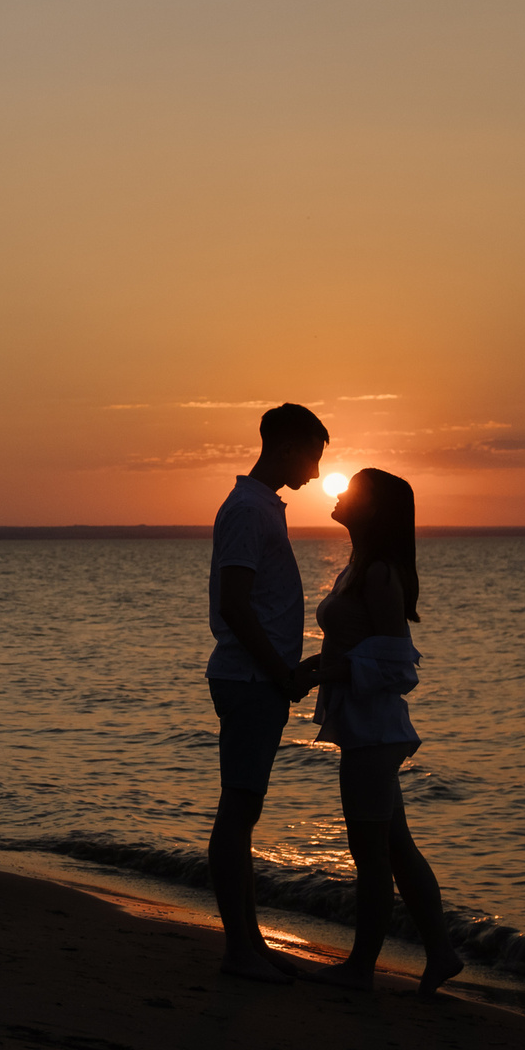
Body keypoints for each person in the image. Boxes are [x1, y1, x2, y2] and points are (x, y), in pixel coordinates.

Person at [307, 468, 465, 997]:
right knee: (396, 848)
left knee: (370, 855)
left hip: (374, 733)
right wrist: (317, 666)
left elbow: (400, 667)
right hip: (365, 730)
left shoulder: (379, 573)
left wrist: (327, 672)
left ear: (374, 511)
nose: (341, 494)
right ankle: (441, 953)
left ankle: (360, 968)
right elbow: (357, 648)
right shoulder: (358, 567)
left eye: (353, 490)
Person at [204, 402, 330, 983]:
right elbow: (234, 603)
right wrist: (279, 674)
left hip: (258, 677)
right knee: (239, 811)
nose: (316, 470)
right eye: (313, 455)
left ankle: (249, 943)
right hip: (250, 679)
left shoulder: (260, 507)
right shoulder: (250, 510)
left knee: (243, 810)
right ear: (286, 448)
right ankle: (239, 950)